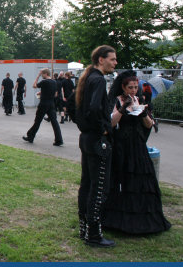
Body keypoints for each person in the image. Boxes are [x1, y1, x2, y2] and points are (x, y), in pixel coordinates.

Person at [102, 70, 171, 235]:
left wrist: (143, 113)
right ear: (123, 88)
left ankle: (141, 218)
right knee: (121, 180)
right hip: (121, 146)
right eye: (130, 87)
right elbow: (110, 124)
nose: (133, 90)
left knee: (141, 180)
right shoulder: (116, 101)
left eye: (135, 87)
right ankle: (118, 219)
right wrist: (123, 109)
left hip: (137, 146)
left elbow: (149, 125)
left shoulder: (141, 100)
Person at [75, 45, 117, 248]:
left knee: (87, 185)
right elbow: (93, 109)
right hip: (96, 140)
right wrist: (104, 130)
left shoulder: (87, 78)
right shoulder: (98, 79)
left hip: (87, 138)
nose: (115, 63)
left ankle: (84, 229)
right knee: (99, 188)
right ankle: (93, 235)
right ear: (101, 60)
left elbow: (74, 109)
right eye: (112, 59)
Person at [23, 68, 63, 146]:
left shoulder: (44, 81)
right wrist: (42, 92)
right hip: (51, 104)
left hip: (43, 103)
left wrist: (37, 76)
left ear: (45, 74)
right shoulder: (54, 82)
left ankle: (30, 136)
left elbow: (34, 86)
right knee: (54, 122)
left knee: (37, 121)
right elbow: (55, 94)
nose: (41, 76)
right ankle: (59, 140)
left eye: (42, 74)